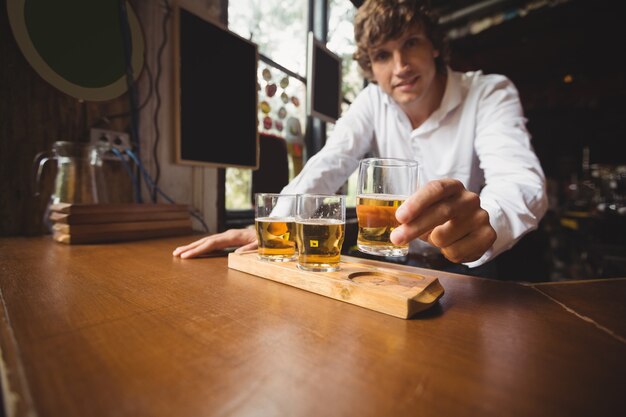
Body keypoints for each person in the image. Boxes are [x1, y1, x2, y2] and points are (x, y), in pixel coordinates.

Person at [173, 0, 548, 278]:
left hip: (469, 268)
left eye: (411, 44)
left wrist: (487, 222)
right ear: (370, 67)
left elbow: (520, 182)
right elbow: (331, 161)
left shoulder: (488, 92)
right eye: (383, 55)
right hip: (394, 263)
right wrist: (274, 224)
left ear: (434, 45)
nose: (400, 67)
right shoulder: (373, 100)